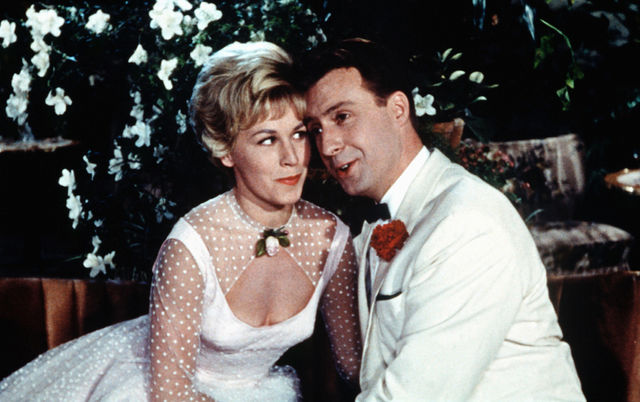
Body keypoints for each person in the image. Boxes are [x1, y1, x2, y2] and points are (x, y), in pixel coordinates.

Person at [0, 41, 361, 401]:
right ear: (225, 149)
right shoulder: (190, 246)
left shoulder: (331, 238)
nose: (292, 158)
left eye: (299, 134)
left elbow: (354, 366)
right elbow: (170, 395)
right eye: (267, 140)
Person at [299, 38, 585, 401]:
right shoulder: (386, 219)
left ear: (398, 109)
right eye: (316, 129)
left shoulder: (467, 222)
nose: (327, 146)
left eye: (342, 117)